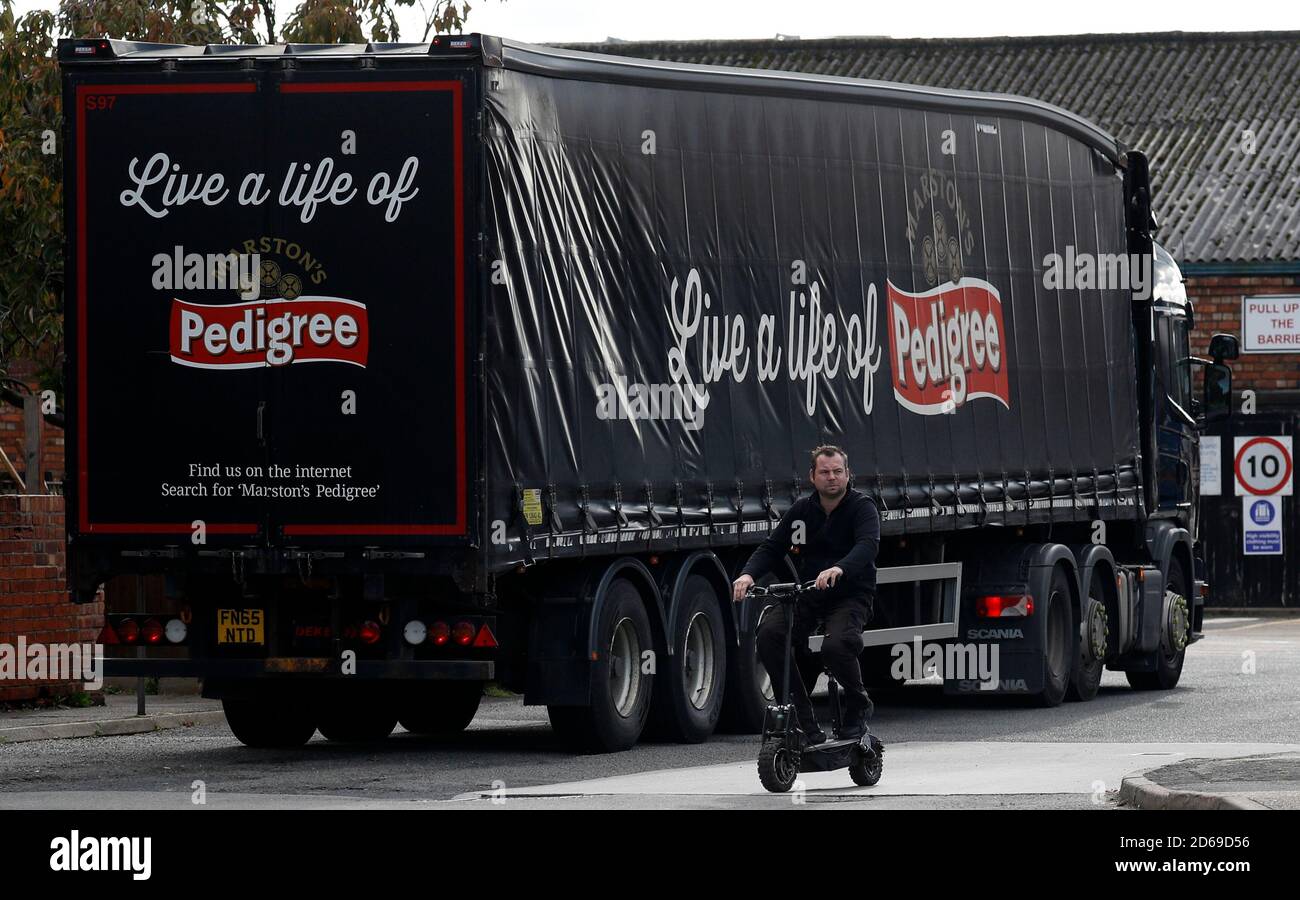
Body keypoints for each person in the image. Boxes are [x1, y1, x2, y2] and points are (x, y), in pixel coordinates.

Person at [732, 445, 880, 744]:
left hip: (850, 595)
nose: (832, 478)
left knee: (836, 647)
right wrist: (748, 574)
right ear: (812, 477)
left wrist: (839, 568)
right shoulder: (802, 511)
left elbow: (867, 546)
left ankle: (857, 707)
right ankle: (802, 721)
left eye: (838, 472)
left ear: (848, 474)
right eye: (824, 472)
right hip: (810, 593)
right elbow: (772, 548)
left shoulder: (862, 507)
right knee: (770, 635)